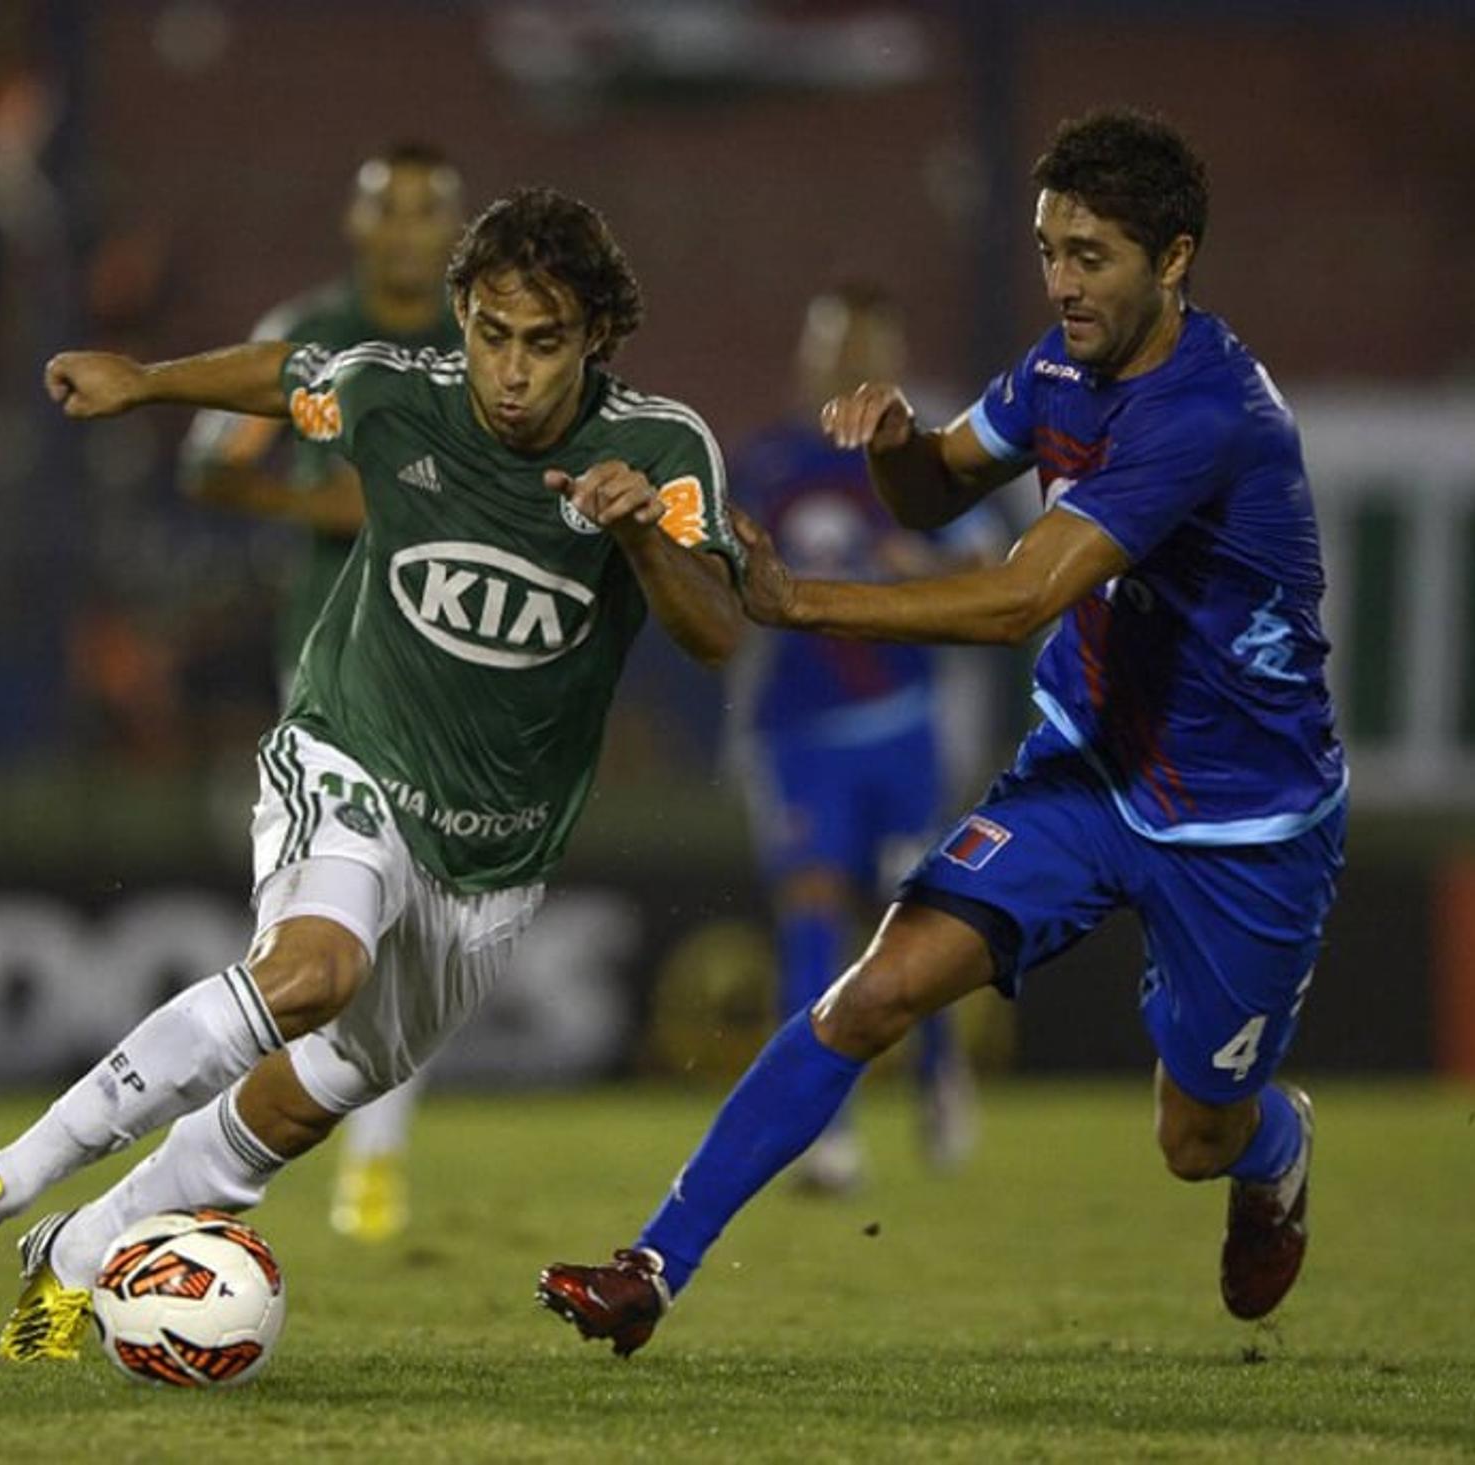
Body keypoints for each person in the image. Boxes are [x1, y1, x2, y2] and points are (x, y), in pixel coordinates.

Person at [0, 186, 746, 1362]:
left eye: (544, 342)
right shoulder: (402, 395)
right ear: (463, 320)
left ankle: (70, 1257)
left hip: (494, 861)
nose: (512, 372)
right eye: (490, 334)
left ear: (596, 340)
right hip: (348, 752)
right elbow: (288, 373)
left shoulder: (662, 449)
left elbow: (717, 631)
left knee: (293, 1102)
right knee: (314, 968)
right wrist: (145, 379)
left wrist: (638, 535)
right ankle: (0, 1177)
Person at [540, 109, 1348, 1356]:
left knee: (1196, 1138)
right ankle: (651, 1267)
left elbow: (1023, 593)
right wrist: (905, 447)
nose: (1064, 283)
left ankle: (1274, 1145)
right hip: (1083, 775)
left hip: (1244, 824)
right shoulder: (1058, 369)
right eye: (1048, 251)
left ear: (1173, 259)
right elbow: (937, 491)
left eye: (1093, 256)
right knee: (875, 989)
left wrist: (799, 596)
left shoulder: (1208, 412)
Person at [178, 142, 464, 1244]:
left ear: (454, 228)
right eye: (386, 208)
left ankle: (369, 1160)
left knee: (412, 924)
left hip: (456, 665)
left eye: (426, 210)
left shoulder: (487, 341)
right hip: (333, 656)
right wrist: (319, 506)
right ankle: (246, 1128)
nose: (405, 229)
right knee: (328, 921)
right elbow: (211, 463)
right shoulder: (308, 335)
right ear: (356, 224)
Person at [728, 283, 999, 1191]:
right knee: (810, 916)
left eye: (864, 345)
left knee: (912, 922)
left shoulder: (924, 459)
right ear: (807, 352)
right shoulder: (764, 463)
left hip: (904, 726)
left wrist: (914, 565)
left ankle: (937, 1069)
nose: (847, 361)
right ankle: (828, 1130)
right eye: (832, 343)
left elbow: (997, 568)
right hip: (797, 733)